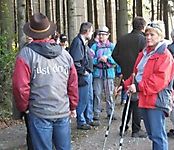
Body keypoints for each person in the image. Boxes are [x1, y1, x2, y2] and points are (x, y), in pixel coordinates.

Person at [12, 13, 78, 150]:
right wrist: (72, 106)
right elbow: (72, 84)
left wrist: (24, 108)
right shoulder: (65, 55)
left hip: (39, 112)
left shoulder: (26, 54)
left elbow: (20, 87)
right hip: (62, 111)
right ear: (49, 33)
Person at [117, 21, 174, 150]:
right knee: (152, 135)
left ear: (160, 36)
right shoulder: (144, 53)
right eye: (147, 34)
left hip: (157, 100)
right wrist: (126, 84)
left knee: (158, 136)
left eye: (152, 34)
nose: (148, 37)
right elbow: (136, 74)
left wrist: (137, 87)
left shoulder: (164, 55)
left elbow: (159, 80)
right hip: (144, 98)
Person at [112, 16, 147, 137]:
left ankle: (123, 126)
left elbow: (114, 54)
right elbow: (146, 57)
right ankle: (136, 130)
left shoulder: (122, 39)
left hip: (126, 73)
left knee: (129, 101)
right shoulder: (143, 40)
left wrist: (123, 64)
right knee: (136, 101)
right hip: (137, 73)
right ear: (143, 27)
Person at [69, 22, 100, 130]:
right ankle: (81, 121)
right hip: (83, 76)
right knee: (82, 98)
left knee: (89, 97)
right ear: (86, 31)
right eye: (91, 31)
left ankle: (88, 118)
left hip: (88, 73)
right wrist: (83, 71)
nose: (92, 33)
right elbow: (75, 60)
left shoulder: (83, 42)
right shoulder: (77, 42)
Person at [91, 26, 116, 120]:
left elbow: (117, 60)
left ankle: (110, 112)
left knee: (109, 93)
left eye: (103, 34)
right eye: (100, 34)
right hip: (97, 73)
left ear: (108, 35)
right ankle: (96, 112)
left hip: (109, 73)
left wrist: (108, 59)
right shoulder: (94, 46)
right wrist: (98, 59)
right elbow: (90, 60)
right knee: (97, 93)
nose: (101, 36)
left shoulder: (112, 47)